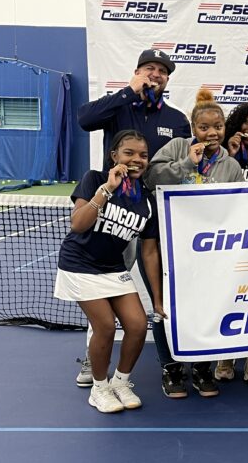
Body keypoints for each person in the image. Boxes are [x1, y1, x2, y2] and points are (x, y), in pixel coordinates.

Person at [74, 49, 191, 389]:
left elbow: (183, 168)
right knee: (104, 285)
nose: (156, 75)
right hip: (116, 214)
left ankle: (175, 358)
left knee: (164, 286)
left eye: (162, 71)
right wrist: (128, 91)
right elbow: (83, 119)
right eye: (150, 69)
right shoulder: (117, 106)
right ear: (137, 72)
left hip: (161, 216)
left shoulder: (177, 119)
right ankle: (94, 357)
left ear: (168, 80)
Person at [144, 89, 248, 395]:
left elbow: (238, 207)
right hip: (164, 245)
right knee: (163, 309)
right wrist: (187, 165)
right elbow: (151, 178)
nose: (212, 132)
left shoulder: (230, 166)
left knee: (203, 307)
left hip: (205, 251)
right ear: (193, 129)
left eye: (217, 126)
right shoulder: (177, 147)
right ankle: (172, 369)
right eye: (204, 127)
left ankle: (202, 367)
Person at [54, 130, 165, 413]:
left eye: (143, 155)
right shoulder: (94, 179)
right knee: (104, 326)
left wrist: (158, 299)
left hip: (112, 268)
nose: (137, 160)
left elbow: (150, 252)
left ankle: (120, 382)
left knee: (138, 326)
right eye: (129, 153)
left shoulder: (148, 201)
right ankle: (99, 388)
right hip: (79, 264)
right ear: (114, 156)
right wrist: (107, 189)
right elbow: (78, 224)